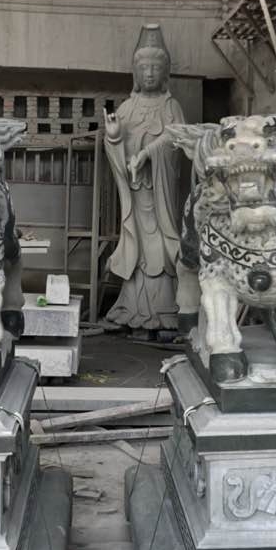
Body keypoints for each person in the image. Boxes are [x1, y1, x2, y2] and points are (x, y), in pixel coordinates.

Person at [103, 24, 185, 336]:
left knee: (161, 247)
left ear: (164, 73)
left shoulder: (171, 106)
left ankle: (165, 307)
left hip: (160, 192)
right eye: (144, 68)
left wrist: (149, 152)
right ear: (136, 73)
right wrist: (114, 137)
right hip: (136, 195)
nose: (149, 73)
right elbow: (115, 147)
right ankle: (132, 306)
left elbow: (177, 138)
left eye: (155, 68)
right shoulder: (127, 107)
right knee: (136, 245)